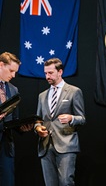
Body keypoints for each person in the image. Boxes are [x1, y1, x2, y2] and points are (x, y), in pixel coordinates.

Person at [34, 58, 86, 186]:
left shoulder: (74, 91)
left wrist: (71, 118)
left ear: (60, 72)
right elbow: (38, 120)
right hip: (45, 146)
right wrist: (37, 128)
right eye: (45, 73)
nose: (47, 76)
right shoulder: (42, 95)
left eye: (50, 73)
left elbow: (82, 118)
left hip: (66, 144)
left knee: (65, 182)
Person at [0, 52, 33, 186]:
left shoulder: (13, 90)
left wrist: (22, 128)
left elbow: (15, 118)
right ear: (1, 65)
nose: (13, 75)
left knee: (7, 181)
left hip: (6, 145)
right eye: (11, 71)